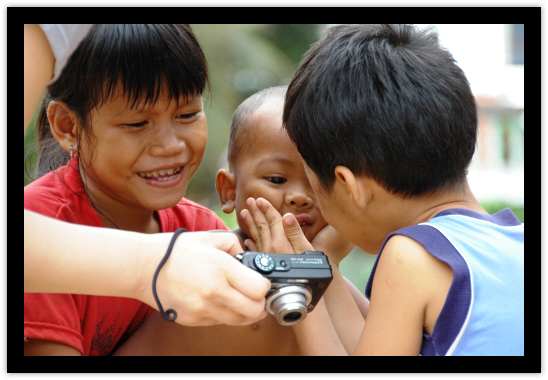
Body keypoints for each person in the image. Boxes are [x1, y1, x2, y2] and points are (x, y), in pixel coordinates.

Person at [241, 24, 524, 356]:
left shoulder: (411, 256)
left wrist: (295, 286)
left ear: (350, 187)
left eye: (313, 182)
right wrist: (323, 265)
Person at [23, 24, 273, 356]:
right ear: (68, 127)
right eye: (137, 124)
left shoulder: (201, 232)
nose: (170, 146)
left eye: (187, 115)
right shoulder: (39, 229)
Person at [112, 86, 369, 356]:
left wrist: (322, 264)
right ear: (228, 191)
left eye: (317, 184)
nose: (299, 198)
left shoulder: (330, 278)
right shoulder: (211, 264)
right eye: (277, 180)